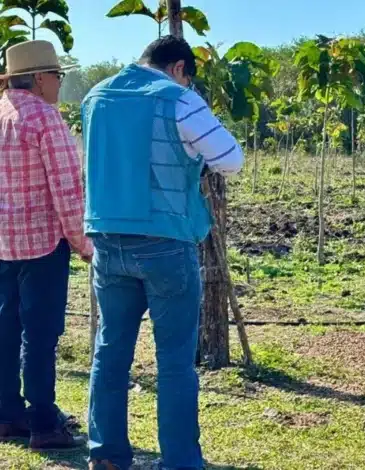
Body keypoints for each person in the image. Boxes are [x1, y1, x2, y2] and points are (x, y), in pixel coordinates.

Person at [82, 35, 243, 470]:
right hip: (165, 240)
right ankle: (180, 461)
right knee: (174, 360)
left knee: (110, 350)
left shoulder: (96, 95)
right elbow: (230, 158)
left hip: (107, 238)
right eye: (188, 77)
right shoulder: (179, 100)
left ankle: (108, 455)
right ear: (178, 68)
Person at [0, 40, 93, 450]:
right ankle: (43, 422)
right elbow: (68, 191)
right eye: (57, 75)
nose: (59, 82)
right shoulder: (45, 119)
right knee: (40, 334)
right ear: (39, 78)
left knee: (5, 328)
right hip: (41, 245)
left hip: (2, 245)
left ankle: (7, 415)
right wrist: (83, 243)